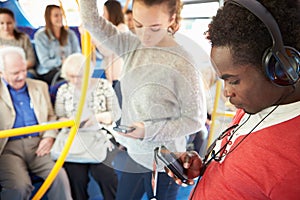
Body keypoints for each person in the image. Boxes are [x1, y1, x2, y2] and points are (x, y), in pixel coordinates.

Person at [167, 0, 300, 199]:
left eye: (234, 81)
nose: (227, 92)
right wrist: (203, 166)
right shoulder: (257, 104)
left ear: (281, 68)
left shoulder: (293, 167)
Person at [80, 0, 207, 199]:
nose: (145, 35)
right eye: (138, 25)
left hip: (165, 161)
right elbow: (91, 22)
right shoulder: (131, 44)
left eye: (154, 28)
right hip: (134, 154)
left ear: (171, 19)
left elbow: (195, 120)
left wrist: (147, 131)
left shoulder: (183, 62)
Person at [0, 46, 72, 199]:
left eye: (23, 70)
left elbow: (51, 117)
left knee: (59, 177)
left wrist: (49, 136)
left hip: (38, 144)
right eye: (15, 73)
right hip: (7, 147)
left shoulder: (40, 87)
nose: (21, 76)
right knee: (19, 186)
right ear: (2, 73)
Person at [55, 53, 120, 200]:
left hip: (101, 136)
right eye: (71, 76)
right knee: (76, 177)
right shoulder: (63, 90)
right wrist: (70, 121)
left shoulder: (103, 85)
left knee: (105, 174)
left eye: (79, 76)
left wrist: (97, 118)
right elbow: (59, 117)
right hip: (75, 137)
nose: (75, 80)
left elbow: (115, 114)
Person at [34, 4, 81, 86]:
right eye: (56, 16)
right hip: (49, 71)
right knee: (66, 79)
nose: (60, 18)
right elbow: (45, 62)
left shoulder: (70, 34)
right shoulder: (40, 36)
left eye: (61, 15)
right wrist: (62, 62)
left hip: (70, 69)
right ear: (49, 18)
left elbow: (77, 54)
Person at [94, 0, 129, 87]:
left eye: (104, 12)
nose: (103, 16)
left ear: (111, 13)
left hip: (119, 77)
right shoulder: (113, 30)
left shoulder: (122, 29)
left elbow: (107, 50)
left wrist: (92, 35)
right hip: (112, 76)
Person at [0, 8, 36, 77]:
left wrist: (16, 70)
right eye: (1, 23)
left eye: (9, 23)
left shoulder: (23, 38)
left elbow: (31, 60)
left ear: (14, 22)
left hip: (24, 70)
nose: (5, 27)